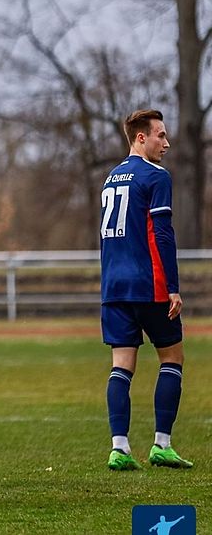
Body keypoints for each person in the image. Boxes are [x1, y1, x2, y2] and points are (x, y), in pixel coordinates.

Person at [100, 109, 192, 471]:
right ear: (141, 137)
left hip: (114, 288)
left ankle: (119, 448)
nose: (166, 143)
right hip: (149, 284)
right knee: (173, 358)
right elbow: (163, 235)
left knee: (121, 366)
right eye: (160, 136)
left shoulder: (111, 178)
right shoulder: (156, 176)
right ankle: (161, 444)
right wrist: (172, 288)